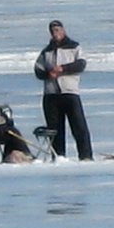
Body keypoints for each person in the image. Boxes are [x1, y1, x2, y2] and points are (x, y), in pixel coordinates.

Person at [33, 19, 93, 160]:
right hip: (51, 95)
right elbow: (38, 70)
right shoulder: (46, 51)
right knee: (55, 130)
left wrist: (63, 69)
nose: (55, 33)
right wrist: (49, 74)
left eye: (58, 30)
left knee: (79, 127)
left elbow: (81, 64)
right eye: (53, 31)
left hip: (69, 92)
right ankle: (59, 157)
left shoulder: (74, 47)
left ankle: (86, 156)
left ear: (63, 30)